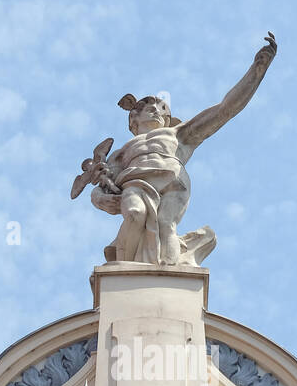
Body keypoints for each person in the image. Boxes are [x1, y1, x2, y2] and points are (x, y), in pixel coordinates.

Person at [89, 33, 277, 265]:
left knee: (166, 225)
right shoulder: (122, 152)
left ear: (168, 120)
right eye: (149, 107)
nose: (156, 110)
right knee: (135, 214)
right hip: (136, 182)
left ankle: (168, 273)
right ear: (133, 119)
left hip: (174, 181)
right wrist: (98, 198)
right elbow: (101, 187)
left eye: (162, 108)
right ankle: (125, 272)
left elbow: (225, 109)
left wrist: (257, 71)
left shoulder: (178, 134)